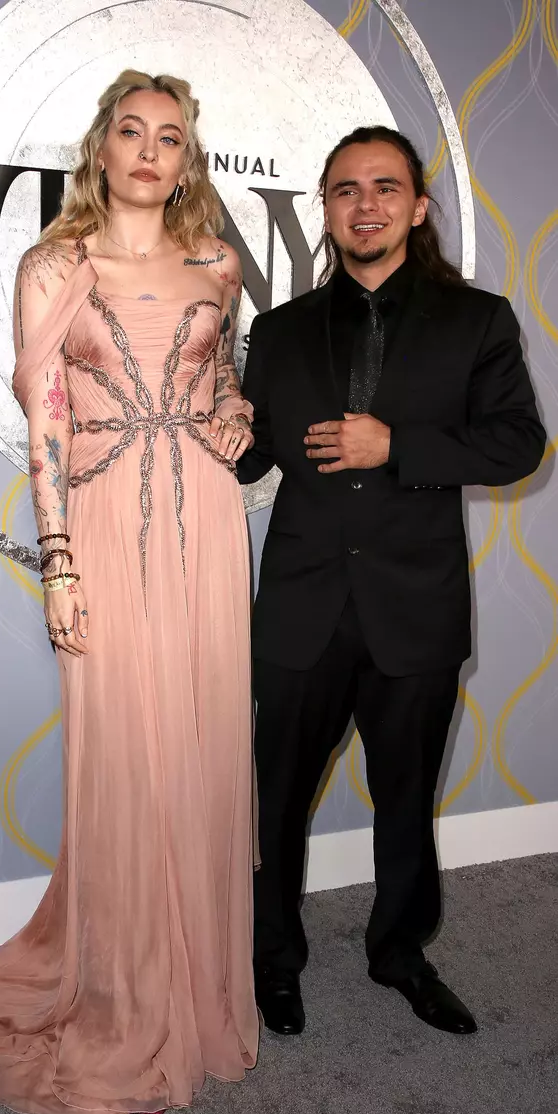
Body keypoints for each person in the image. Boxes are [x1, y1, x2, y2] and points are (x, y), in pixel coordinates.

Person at [0, 70, 258, 1114]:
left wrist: (236, 408)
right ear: (102, 146)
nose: (148, 151)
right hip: (107, 523)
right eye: (130, 130)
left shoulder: (218, 260)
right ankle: (124, 995)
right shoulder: (54, 265)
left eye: (169, 137)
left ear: (186, 159)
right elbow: (45, 424)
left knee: (206, 746)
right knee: (124, 756)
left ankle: (201, 992)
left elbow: (221, 386)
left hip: (208, 526)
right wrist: (61, 562)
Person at [238, 126, 546, 1038]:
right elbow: (252, 449)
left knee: (407, 794)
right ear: (324, 209)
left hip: (415, 609)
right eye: (343, 190)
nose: (363, 204)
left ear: (417, 206)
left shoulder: (479, 320)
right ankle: (271, 959)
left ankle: (400, 952)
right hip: (300, 605)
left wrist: (397, 446)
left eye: (383, 187)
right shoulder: (278, 330)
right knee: (274, 801)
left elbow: (517, 443)